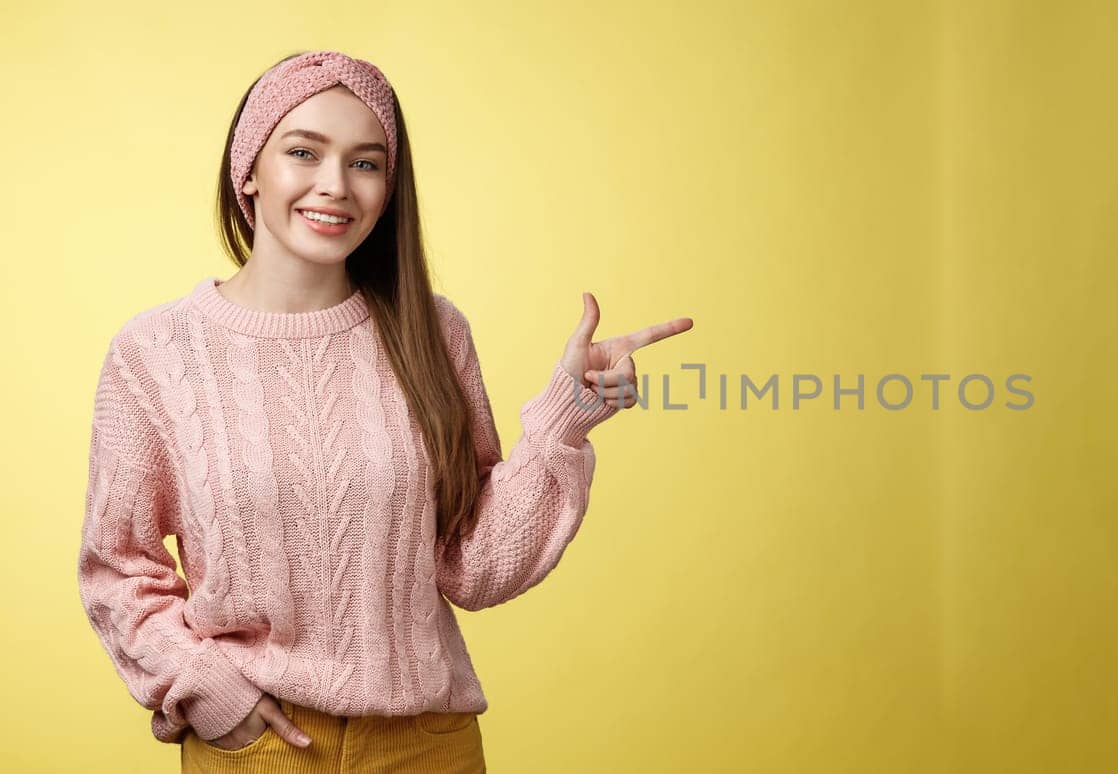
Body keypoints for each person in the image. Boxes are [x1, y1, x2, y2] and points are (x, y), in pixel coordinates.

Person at [76, 49, 693, 772]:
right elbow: (118, 566)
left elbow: (473, 563)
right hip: (256, 747)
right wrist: (208, 691)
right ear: (248, 169)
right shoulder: (156, 353)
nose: (335, 186)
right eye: (303, 152)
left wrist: (562, 422)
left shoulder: (433, 333)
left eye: (366, 164)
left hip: (425, 746)